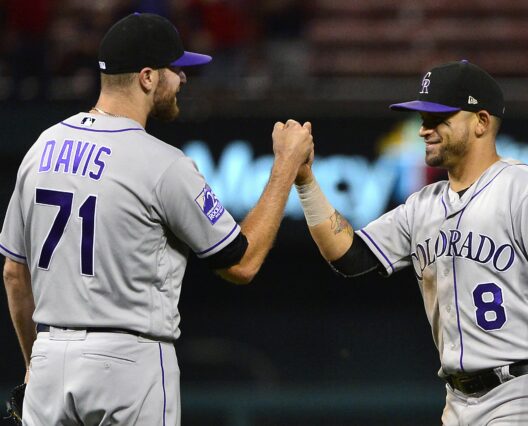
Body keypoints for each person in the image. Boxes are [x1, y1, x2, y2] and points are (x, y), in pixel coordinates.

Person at [0, 12, 312, 425]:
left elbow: (13, 274)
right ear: (147, 77)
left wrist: (33, 363)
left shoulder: (43, 146)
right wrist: (286, 165)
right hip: (128, 365)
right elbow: (242, 261)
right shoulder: (161, 163)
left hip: (49, 358)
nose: (182, 79)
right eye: (175, 70)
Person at [294, 60, 528, 425]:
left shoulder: (527, 189)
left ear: (481, 122)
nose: (424, 130)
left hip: (524, 393)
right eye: (423, 119)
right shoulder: (421, 205)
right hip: (456, 401)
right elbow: (349, 257)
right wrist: (304, 181)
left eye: (438, 118)